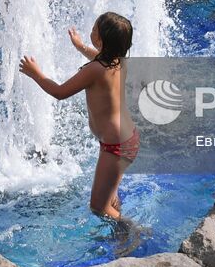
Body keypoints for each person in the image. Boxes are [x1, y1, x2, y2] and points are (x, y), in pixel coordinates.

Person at [20, 13, 139, 218]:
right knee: (109, 196)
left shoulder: (94, 70)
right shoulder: (118, 62)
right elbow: (98, 56)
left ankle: (130, 230)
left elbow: (60, 92)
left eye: (94, 30)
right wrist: (80, 46)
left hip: (116, 146)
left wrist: (36, 73)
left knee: (98, 207)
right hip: (125, 139)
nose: (90, 31)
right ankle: (120, 237)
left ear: (100, 40)